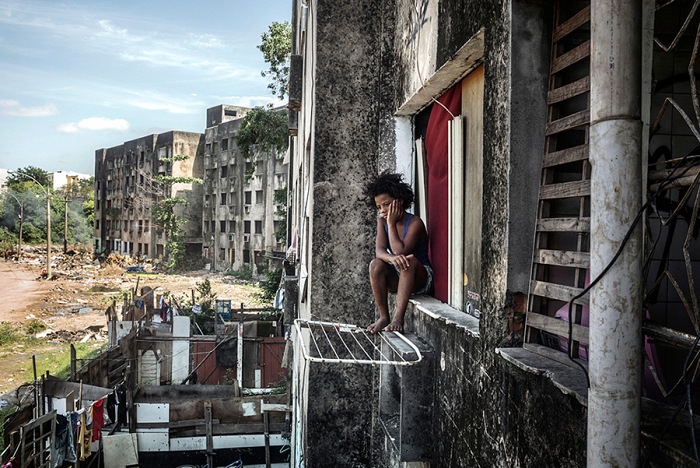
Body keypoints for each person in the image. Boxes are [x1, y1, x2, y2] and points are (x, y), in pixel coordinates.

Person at [364, 171, 433, 333]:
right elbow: (380, 252)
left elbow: (399, 251)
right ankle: (384, 316)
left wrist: (392, 223)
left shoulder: (415, 223)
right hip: (399, 277)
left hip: (420, 277)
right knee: (376, 264)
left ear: (399, 202)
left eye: (386, 204)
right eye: (379, 207)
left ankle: (397, 318)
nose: (382, 210)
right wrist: (390, 259)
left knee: (407, 260)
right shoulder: (382, 223)